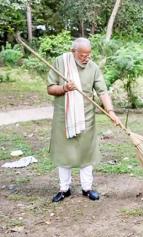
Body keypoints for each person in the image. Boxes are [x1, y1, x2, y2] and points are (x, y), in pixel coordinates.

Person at [47, 38, 122, 202]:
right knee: (63, 152)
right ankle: (64, 189)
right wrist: (64, 88)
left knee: (86, 152)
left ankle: (87, 188)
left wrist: (111, 111)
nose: (85, 58)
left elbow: (102, 91)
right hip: (63, 116)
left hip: (86, 116)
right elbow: (50, 88)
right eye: (82, 55)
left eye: (88, 54)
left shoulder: (93, 67)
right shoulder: (61, 62)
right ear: (73, 51)